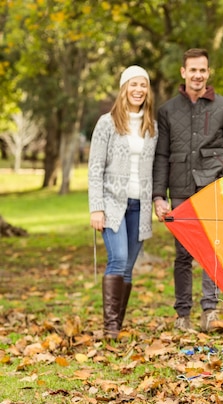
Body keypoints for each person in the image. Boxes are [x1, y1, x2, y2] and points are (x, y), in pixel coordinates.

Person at [153, 48, 223, 332]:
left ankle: (210, 313)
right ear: (183, 72)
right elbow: (161, 155)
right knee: (183, 255)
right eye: (192, 70)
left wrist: (222, 181)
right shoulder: (168, 111)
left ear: (208, 72)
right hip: (179, 189)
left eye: (202, 70)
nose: (197, 75)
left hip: (211, 190)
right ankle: (182, 316)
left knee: (211, 251)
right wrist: (158, 196)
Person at [88, 65, 157, 339]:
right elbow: (95, 168)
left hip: (140, 206)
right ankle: (110, 328)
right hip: (113, 204)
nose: (138, 90)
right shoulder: (107, 122)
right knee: (117, 259)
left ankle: (116, 324)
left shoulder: (151, 126)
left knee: (128, 266)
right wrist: (96, 207)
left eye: (143, 85)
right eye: (133, 84)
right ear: (123, 88)